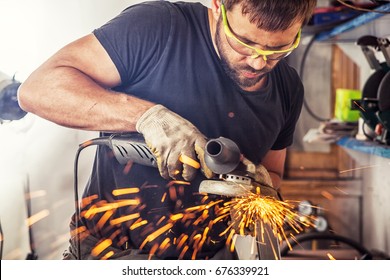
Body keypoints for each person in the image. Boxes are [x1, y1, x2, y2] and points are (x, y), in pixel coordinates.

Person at [17, 0, 317, 260]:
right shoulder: (159, 28)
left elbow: (273, 174)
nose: (258, 61)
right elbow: (38, 90)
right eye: (244, 43)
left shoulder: (288, 88)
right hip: (111, 256)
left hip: (214, 259)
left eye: (278, 49)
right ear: (218, 6)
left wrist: (257, 188)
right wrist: (146, 116)